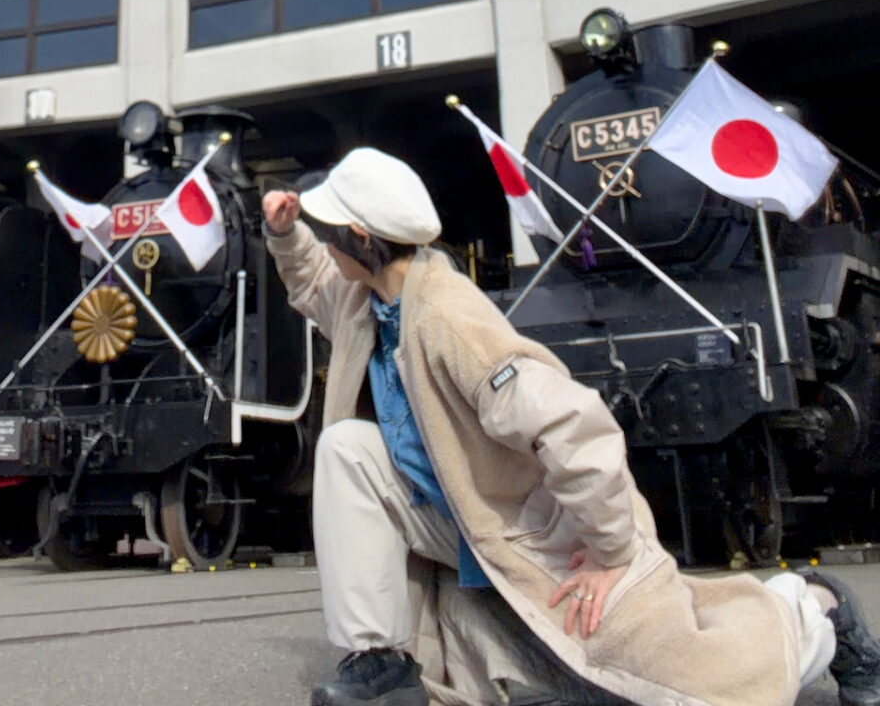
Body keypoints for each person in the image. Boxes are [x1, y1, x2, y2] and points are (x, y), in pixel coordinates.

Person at [262, 147, 880, 706]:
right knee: (347, 447)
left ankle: (815, 610)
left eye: (329, 231)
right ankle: (380, 660)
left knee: (688, 682)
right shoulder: (365, 299)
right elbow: (314, 283)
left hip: (541, 530)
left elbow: (574, 422)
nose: (325, 244)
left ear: (362, 237)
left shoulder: (449, 318)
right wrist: (286, 234)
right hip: (462, 521)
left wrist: (610, 551)